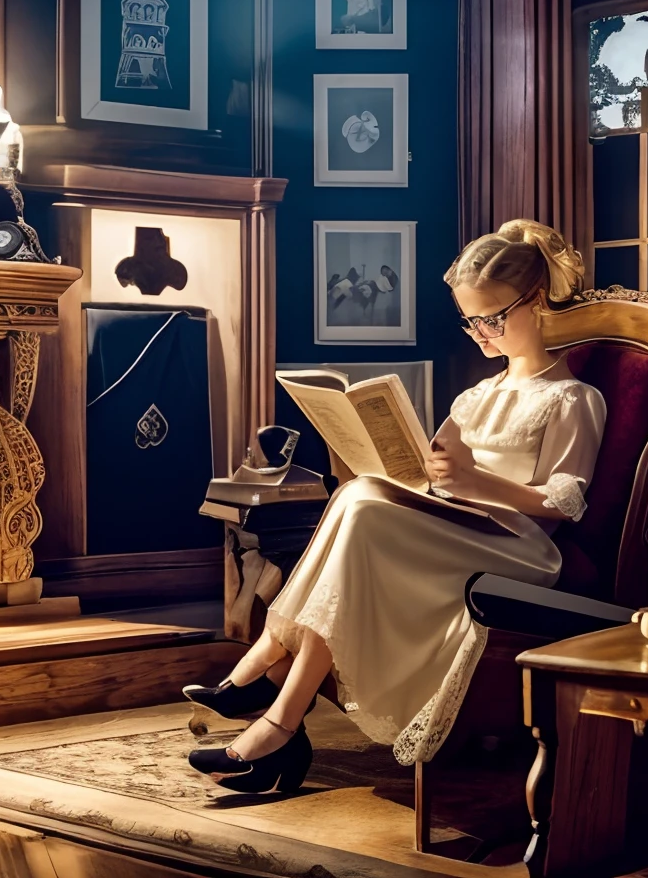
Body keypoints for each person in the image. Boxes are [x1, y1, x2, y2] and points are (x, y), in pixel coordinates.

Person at [185, 220, 606, 793]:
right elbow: (432, 478)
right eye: (470, 320)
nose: (479, 334)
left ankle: (267, 679)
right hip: (450, 529)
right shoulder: (474, 396)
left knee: (360, 505)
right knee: (358, 492)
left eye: (493, 318)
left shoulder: (574, 398)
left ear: (535, 303)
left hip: (519, 548)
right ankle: (276, 716)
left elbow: (563, 503)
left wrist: (474, 481)